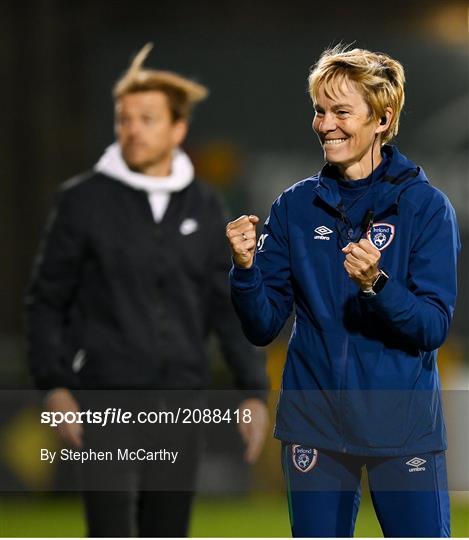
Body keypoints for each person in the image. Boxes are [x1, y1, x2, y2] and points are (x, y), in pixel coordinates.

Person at [26, 43, 269, 537]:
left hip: (180, 399)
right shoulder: (83, 202)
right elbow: (47, 300)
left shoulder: (204, 204)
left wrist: (253, 391)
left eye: (147, 118)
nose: (132, 129)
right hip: (105, 399)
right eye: (124, 118)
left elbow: (227, 306)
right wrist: (53, 384)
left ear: (178, 130)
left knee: (168, 530)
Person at [226, 45, 460, 538]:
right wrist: (245, 268)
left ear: (382, 118)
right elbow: (262, 325)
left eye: (340, 111)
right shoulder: (295, 207)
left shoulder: (426, 208)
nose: (325, 123)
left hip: (403, 430)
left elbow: (433, 326)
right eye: (319, 110)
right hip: (316, 427)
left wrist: (378, 285)